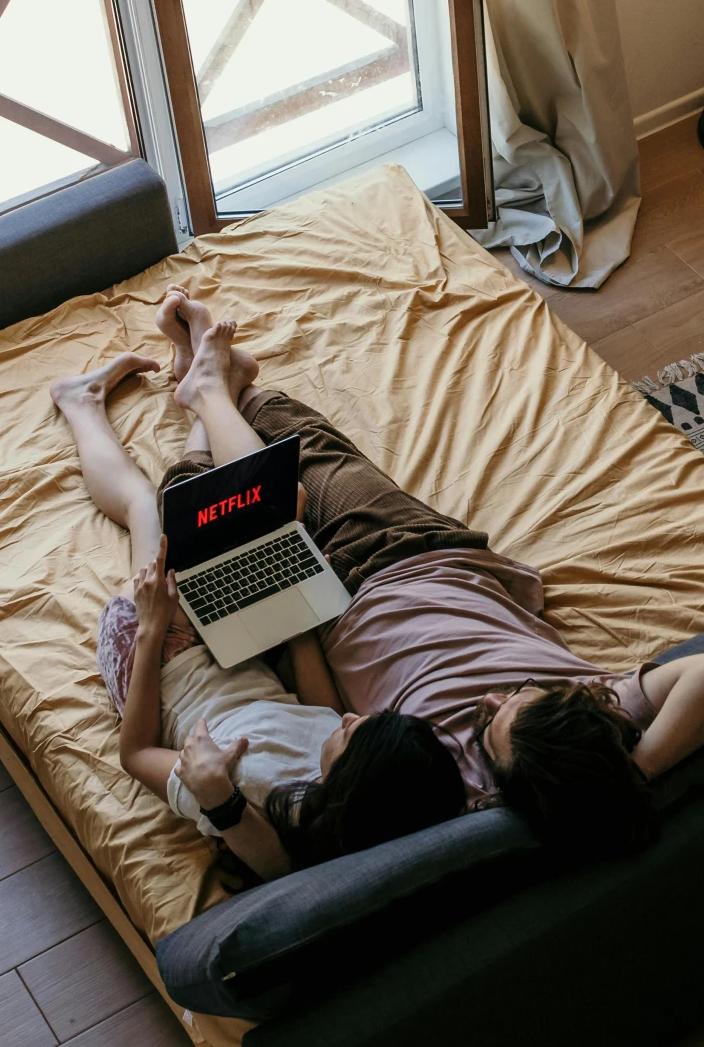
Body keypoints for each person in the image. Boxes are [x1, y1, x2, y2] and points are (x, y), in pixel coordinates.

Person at [128, 286, 704, 860]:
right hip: (425, 552)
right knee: (318, 450)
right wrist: (628, 779)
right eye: (519, 697)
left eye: (488, 726)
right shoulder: (592, 718)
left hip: (332, 609)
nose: (491, 699)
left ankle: (209, 390)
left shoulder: (456, 791)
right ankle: (222, 387)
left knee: (199, 510)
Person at [54, 355, 464, 879]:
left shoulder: (240, 794)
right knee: (250, 518)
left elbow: (135, 754)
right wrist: (287, 593)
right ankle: (206, 384)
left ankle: (80, 401)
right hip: (244, 650)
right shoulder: (335, 777)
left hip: (163, 661)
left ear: (353, 784)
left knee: (145, 511)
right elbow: (318, 708)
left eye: (356, 733)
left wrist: (154, 627)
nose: (351, 716)